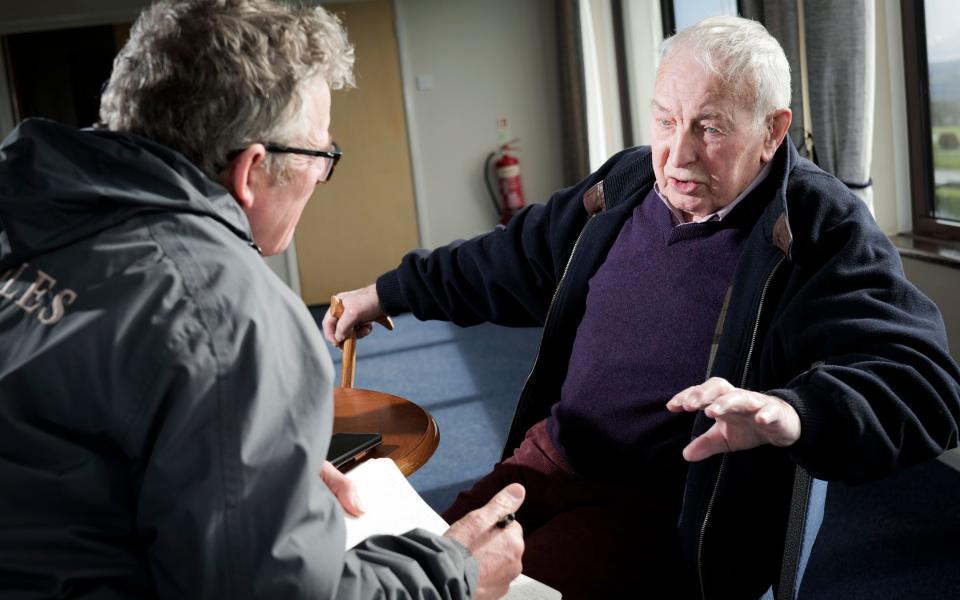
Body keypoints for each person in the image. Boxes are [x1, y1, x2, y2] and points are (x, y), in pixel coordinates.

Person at [325, 15, 960, 599]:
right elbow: (511, 258)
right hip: (552, 453)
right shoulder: (627, 183)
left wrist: (791, 412)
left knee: (494, 594)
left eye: (709, 127)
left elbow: (924, 383)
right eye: (665, 120)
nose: (678, 155)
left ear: (772, 130)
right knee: (413, 566)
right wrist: (386, 291)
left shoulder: (820, 227)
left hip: (663, 502)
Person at [0, 1, 525, 598]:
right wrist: (452, 571)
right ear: (251, 170)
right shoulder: (227, 313)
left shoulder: (21, 207)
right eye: (321, 156)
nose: (320, 177)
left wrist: (249, 469)